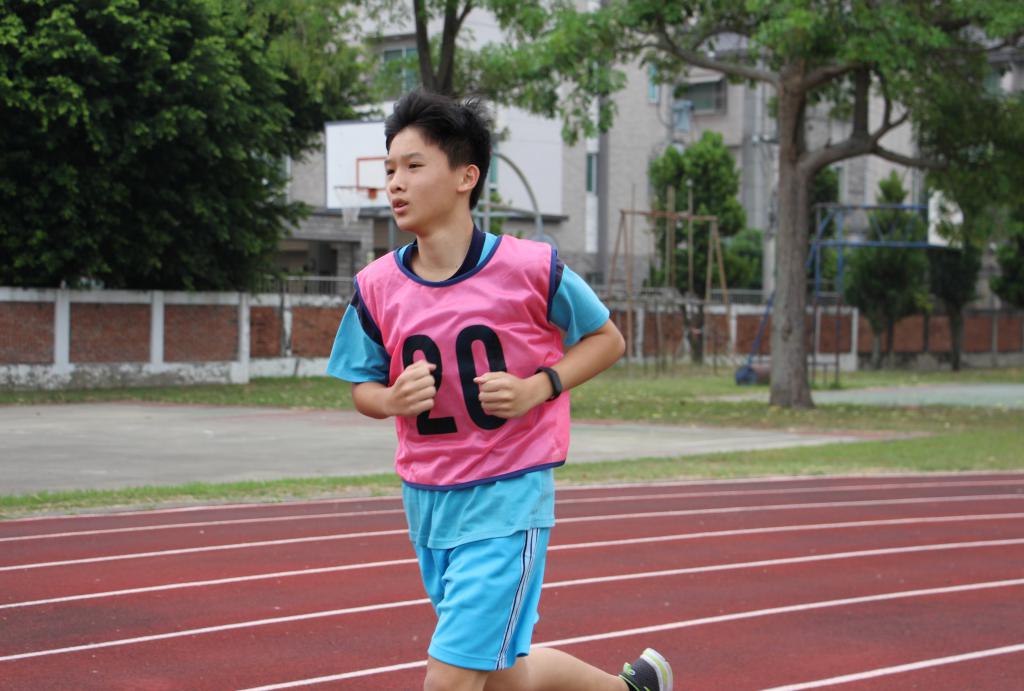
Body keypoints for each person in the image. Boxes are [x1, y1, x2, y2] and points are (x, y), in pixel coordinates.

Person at [327, 89, 674, 691]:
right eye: (389, 169)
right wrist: (390, 400)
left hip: (507, 496)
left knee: (450, 678)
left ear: (466, 176)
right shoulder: (377, 286)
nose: (396, 183)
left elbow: (607, 339)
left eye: (414, 166)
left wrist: (540, 386)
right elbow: (362, 385)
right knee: (503, 676)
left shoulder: (530, 267)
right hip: (428, 499)